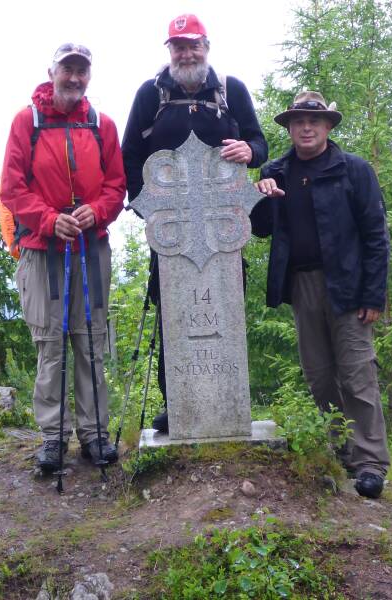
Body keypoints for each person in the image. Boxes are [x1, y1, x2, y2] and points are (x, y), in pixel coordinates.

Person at [122, 14, 269, 433]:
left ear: (206, 46)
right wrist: (148, 209)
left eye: (193, 45)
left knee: (224, 306)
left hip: (223, 222)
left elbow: (260, 144)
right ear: (169, 51)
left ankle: (228, 397)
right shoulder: (150, 93)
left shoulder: (230, 90)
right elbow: (129, 153)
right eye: (178, 46)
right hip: (172, 223)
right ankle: (179, 403)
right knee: (172, 311)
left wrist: (250, 151)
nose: (186, 53)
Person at [251, 90, 391, 499]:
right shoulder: (276, 171)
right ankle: (342, 451)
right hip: (302, 285)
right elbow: (260, 229)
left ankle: (370, 463)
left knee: (357, 374)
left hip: (349, 285)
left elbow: (376, 235)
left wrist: (373, 295)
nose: (306, 128)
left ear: (328, 126)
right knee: (319, 375)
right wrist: (260, 196)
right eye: (298, 121)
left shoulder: (354, 169)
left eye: (314, 121)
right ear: (289, 128)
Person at [0, 43, 126, 470]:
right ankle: (53, 437)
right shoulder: (27, 122)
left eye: (81, 71)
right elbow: (12, 189)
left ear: (89, 76)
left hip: (90, 246)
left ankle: (94, 434)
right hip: (43, 250)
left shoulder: (102, 125)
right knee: (50, 344)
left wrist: (98, 211)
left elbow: (116, 186)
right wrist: (50, 220)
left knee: (90, 341)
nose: (74, 77)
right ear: (52, 71)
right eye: (67, 69)